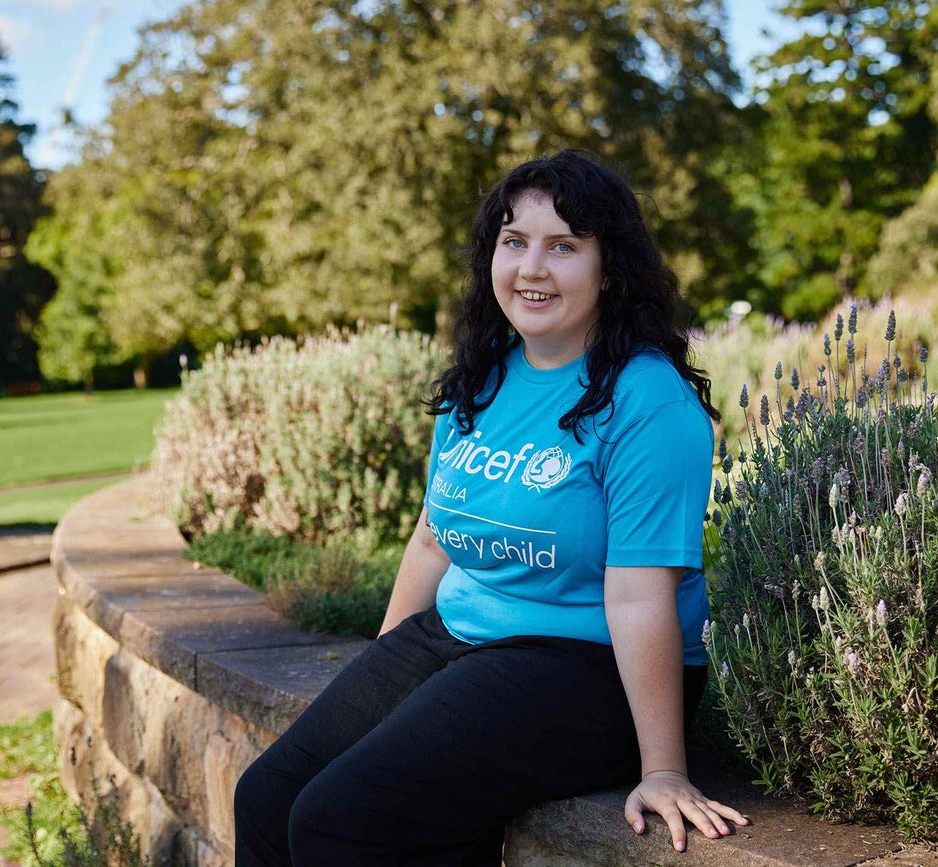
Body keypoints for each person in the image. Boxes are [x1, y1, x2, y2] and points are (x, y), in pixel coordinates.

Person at [233, 148, 750, 866]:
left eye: (563, 246)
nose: (532, 267)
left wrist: (662, 766)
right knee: (266, 795)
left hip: (586, 665)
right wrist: (374, 682)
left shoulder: (646, 401)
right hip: (464, 638)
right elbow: (430, 544)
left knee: (340, 819)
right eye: (514, 241)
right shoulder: (483, 376)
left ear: (611, 265)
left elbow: (637, 595)